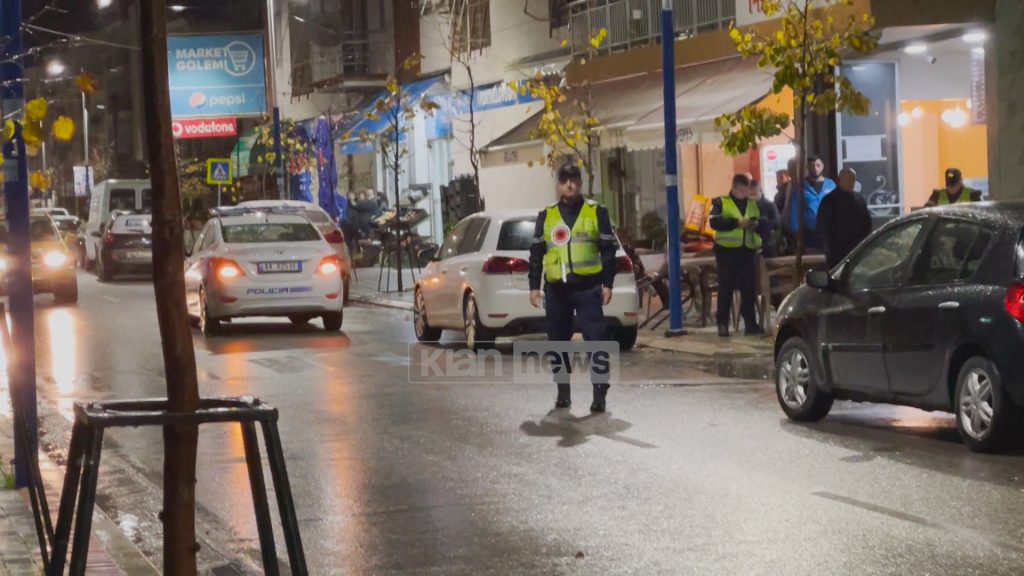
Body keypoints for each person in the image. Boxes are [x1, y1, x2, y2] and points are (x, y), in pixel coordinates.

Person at [528, 163, 618, 413]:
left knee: (596, 340)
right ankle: (563, 391)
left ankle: (600, 392)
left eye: (574, 179)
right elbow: (536, 252)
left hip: (588, 288)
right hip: (557, 289)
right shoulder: (547, 215)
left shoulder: (596, 212)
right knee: (558, 341)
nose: (570, 184)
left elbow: (608, 251)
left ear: (580, 182)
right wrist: (534, 286)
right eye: (565, 180)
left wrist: (608, 283)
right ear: (559, 184)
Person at [709, 173, 766, 338]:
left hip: (747, 250)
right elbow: (714, 222)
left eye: (746, 190)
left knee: (748, 289)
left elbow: (760, 220)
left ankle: (750, 324)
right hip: (726, 251)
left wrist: (755, 224)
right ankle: (723, 325)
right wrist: (736, 223)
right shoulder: (721, 202)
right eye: (741, 190)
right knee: (725, 288)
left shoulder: (751, 203)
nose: (744, 194)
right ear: (734, 188)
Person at [816, 167, 873, 269]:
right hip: (836, 251)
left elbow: (867, 224)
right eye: (847, 179)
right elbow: (822, 226)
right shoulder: (829, 201)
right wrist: (827, 247)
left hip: (857, 249)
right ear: (839, 180)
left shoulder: (859, 200)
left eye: (852, 180)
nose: (850, 182)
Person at [786, 155, 836, 250]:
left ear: (822, 166)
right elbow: (794, 208)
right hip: (809, 230)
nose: (815, 168)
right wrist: (794, 230)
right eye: (812, 166)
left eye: (818, 165)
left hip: (828, 229)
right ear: (807, 167)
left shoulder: (831, 185)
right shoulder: (800, 187)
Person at [750, 179, 781, 258]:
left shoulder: (769, 205)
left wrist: (762, 221)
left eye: (754, 194)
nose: (752, 197)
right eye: (749, 194)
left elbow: (777, 223)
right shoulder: (746, 206)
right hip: (750, 244)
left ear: (760, 191)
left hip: (766, 243)